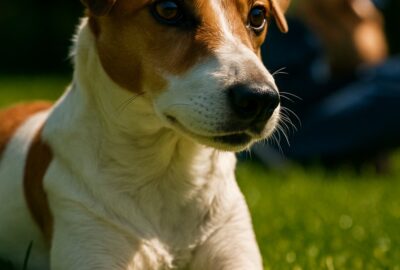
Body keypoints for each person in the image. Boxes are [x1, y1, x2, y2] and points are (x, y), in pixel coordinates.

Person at [253, 0, 400, 169]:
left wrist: (359, 23)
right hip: (297, 107)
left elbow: (369, 57)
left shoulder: (359, 8)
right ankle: (287, 146)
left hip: (336, 92)